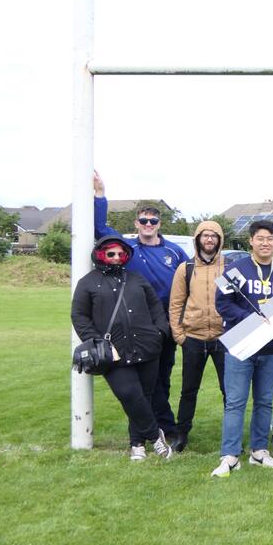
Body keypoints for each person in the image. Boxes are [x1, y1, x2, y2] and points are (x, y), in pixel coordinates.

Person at [93, 171, 189, 440]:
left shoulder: (174, 252)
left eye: (153, 220)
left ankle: (159, 427)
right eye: (144, 220)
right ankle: (154, 428)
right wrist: (100, 195)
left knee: (162, 377)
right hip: (135, 324)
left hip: (166, 323)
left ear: (159, 223)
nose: (148, 224)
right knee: (140, 381)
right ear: (136, 223)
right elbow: (100, 230)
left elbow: (190, 282)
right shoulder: (127, 249)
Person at [71, 236, 174, 460]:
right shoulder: (88, 283)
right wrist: (99, 343)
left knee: (143, 397)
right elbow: (79, 316)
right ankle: (155, 436)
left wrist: (160, 332)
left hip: (147, 347)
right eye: (111, 254)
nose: (116, 257)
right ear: (101, 255)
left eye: (120, 254)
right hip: (113, 352)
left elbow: (155, 306)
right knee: (129, 394)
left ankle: (137, 444)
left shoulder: (136, 279)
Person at [212, 219, 273, 477]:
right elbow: (223, 304)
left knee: (264, 401)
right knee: (235, 401)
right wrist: (251, 320)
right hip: (241, 343)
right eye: (260, 238)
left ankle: (259, 451)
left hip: (271, 347)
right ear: (251, 240)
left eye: (270, 238)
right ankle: (230, 454)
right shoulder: (235, 269)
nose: (265, 243)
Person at [167, 220, 226, 452]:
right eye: (205, 235)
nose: (209, 239)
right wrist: (179, 334)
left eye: (214, 236)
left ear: (219, 240)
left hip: (223, 338)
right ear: (198, 239)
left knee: (229, 391)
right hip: (193, 337)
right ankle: (182, 434)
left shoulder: (229, 267)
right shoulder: (186, 268)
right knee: (189, 390)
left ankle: (230, 436)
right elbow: (175, 303)